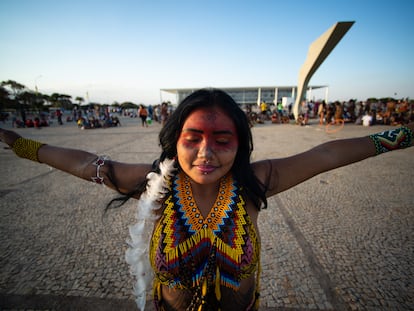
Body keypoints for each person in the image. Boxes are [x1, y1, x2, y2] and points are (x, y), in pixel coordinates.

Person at [0, 88, 413, 311]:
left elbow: (324, 155)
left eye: (222, 139)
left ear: (240, 144)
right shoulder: (153, 184)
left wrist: (399, 137)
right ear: (174, 140)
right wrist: (20, 144)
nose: (206, 153)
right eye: (192, 138)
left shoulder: (255, 181)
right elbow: (87, 162)